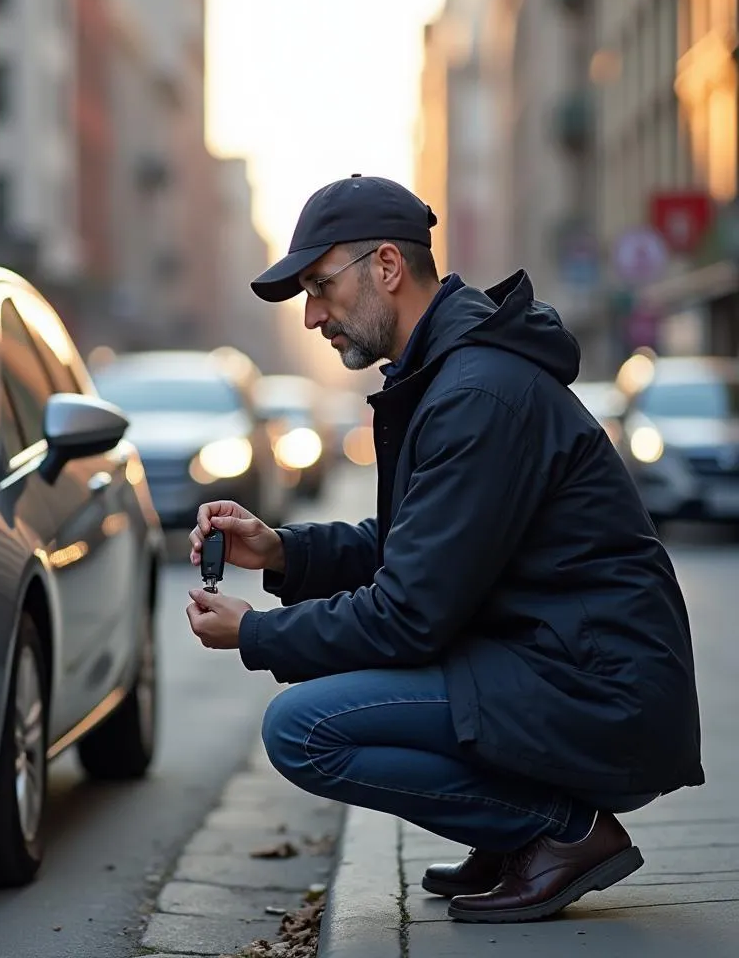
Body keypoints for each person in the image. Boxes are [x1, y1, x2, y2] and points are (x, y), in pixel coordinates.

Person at [185, 175, 703, 924]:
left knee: (302, 730)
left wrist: (256, 633)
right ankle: (514, 834)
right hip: (556, 669)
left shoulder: (476, 392)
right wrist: (280, 553)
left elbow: (409, 614)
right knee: (323, 711)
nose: (311, 316)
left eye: (320, 287)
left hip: (597, 692)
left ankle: (559, 832)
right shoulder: (449, 375)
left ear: (387, 266)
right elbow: (415, 549)